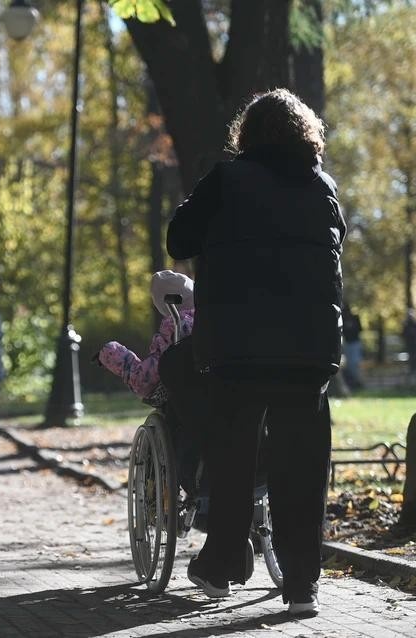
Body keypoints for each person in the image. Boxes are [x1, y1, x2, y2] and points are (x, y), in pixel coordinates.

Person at [163, 88, 345, 617]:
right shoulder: (324, 188)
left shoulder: (226, 179)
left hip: (238, 346)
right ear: (307, 133)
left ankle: (221, 565)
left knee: (232, 449)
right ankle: (301, 586)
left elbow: (180, 239)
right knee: (304, 465)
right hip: (309, 348)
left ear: (248, 134)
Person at [96, 270, 195, 400]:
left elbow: (143, 381)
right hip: (212, 390)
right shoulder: (210, 324)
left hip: (181, 400)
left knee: (156, 419)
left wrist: (110, 352)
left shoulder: (172, 332)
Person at [342, 304, 364, 390]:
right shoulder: (343, 318)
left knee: (355, 363)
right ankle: (354, 382)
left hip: (355, 343)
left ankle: (359, 382)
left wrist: (351, 328)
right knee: (350, 365)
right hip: (348, 343)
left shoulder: (355, 318)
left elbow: (360, 329)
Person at [402, 310, 416, 374]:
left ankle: (415, 368)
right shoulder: (406, 325)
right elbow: (403, 334)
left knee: (415, 356)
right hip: (410, 343)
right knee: (411, 356)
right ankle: (412, 369)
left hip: (415, 343)